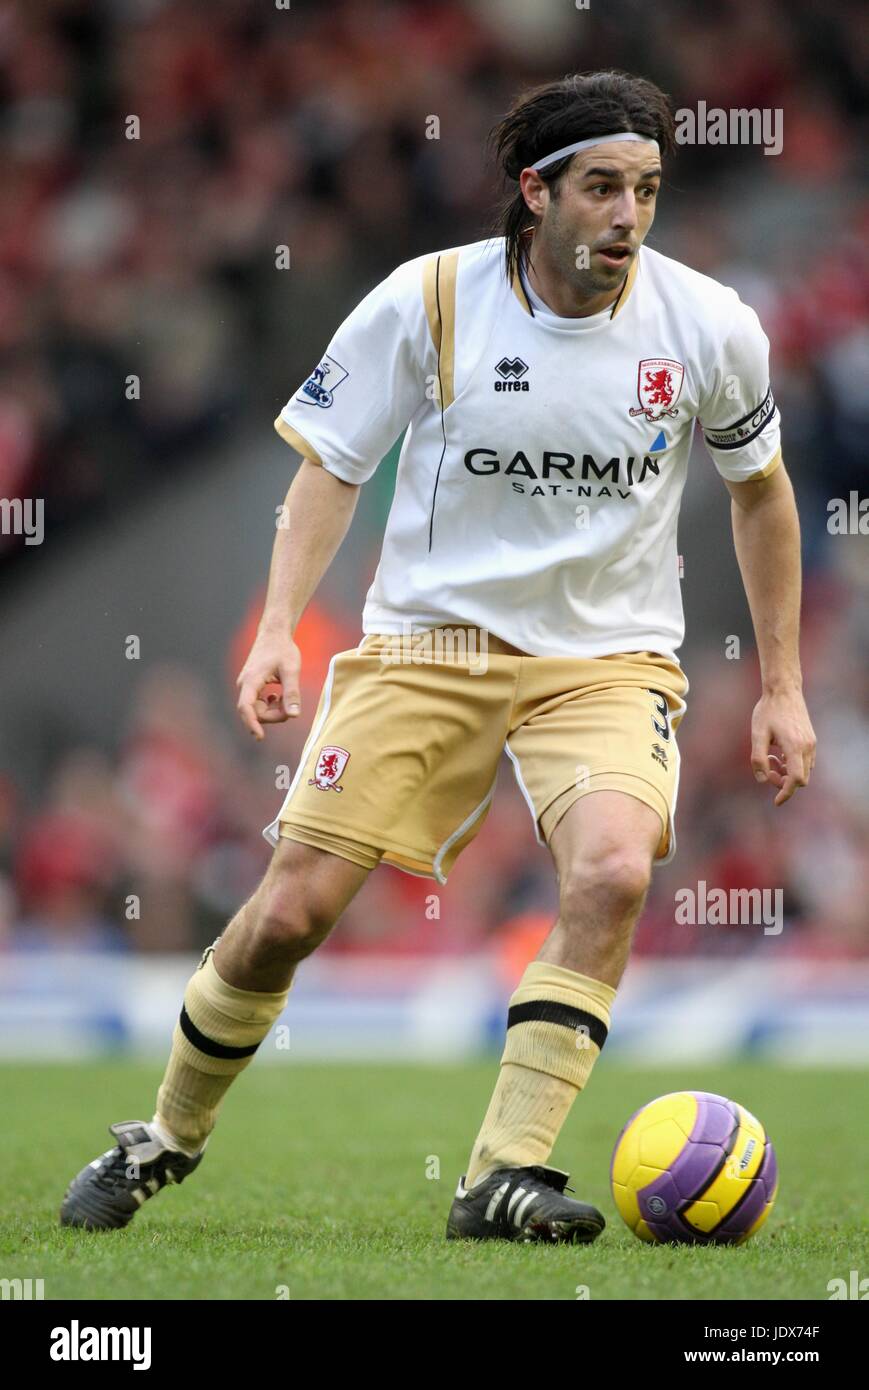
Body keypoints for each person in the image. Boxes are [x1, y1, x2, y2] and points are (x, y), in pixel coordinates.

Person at [60, 71, 815, 1244]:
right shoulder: (427, 300)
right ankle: (166, 1133)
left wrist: (778, 684)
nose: (628, 215)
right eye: (603, 188)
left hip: (607, 658)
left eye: (648, 191)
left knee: (612, 870)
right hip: (426, 643)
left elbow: (759, 496)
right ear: (535, 191)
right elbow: (330, 466)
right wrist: (273, 626)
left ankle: (500, 1173)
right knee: (284, 917)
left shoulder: (708, 323)